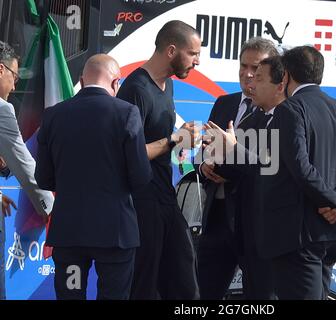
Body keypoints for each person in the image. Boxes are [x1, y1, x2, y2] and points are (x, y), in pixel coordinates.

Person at [206, 45, 336, 299]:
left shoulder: (291, 110)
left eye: (259, 75)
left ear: (285, 77)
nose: (251, 80)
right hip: (328, 234)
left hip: (298, 235)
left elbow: (295, 167)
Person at [35, 54, 152, 300]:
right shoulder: (127, 113)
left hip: (70, 236)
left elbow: (43, 178)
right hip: (114, 236)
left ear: (81, 80)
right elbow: (141, 177)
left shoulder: (54, 115)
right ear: (115, 83)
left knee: (71, 295)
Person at [117, 20, 200, 300]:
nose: (196, 62)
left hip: (166, 195)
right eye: (193, 54)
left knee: (183, 279)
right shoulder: (135, 89)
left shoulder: (168, 87)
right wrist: (174, 140)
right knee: (145, 284)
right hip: (142, 201)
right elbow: (130, 153)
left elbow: (166, 146)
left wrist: (187, 144)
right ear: (171, 50)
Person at [195, 38, 279, 300]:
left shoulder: (280, 111)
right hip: (217, 218)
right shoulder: (224, 103)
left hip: (256, 222)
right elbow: (204, 149)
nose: (248, 73)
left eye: (255, 67)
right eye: (243, 65)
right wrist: (204, 164)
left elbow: (270, 164)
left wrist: (234, 162)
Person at [0, 41, 54, 300]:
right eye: (14, 76)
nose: (15, 85)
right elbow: (25, 166)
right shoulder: (2, 109)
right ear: (1, 70)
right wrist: (53, 208)